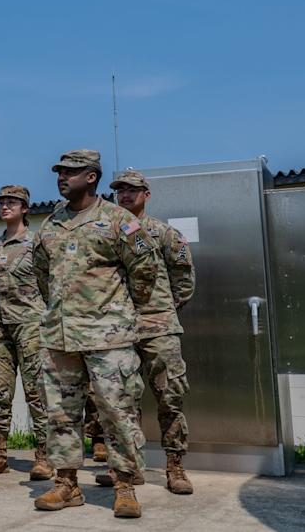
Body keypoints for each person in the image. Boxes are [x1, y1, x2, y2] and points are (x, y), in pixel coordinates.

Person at [31, 150, 156, 520]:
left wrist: (118, 312)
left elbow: (144, 271)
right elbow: (42, 275)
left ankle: (125, 485)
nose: (61, 178)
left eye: (70, 172)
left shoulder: (118, 220)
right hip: (60, 337)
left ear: (91, 177)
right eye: (59, 172)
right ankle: (66, 483)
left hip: (108, 337)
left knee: (117, 412)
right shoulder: (51, 224)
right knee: (61, 414)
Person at [102, 169, 196, 495]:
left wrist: (163, 311)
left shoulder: (164, 233)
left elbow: (184, 280)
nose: (125, 195)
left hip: (158, 327)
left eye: (132, 190)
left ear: (146, 194)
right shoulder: (108, 232)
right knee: (122, 401)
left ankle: (175, 466)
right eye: (120, 191)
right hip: (119, 328)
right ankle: (129, 469)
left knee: (170, 396)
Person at [0, 185, 53, 480]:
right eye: (1, 202)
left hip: (30, 325)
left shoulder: (36, 243)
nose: (4, 206)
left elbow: (49, 281)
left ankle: (44, 456)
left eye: (12, 202)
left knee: (37, 392)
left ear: (25, 208)